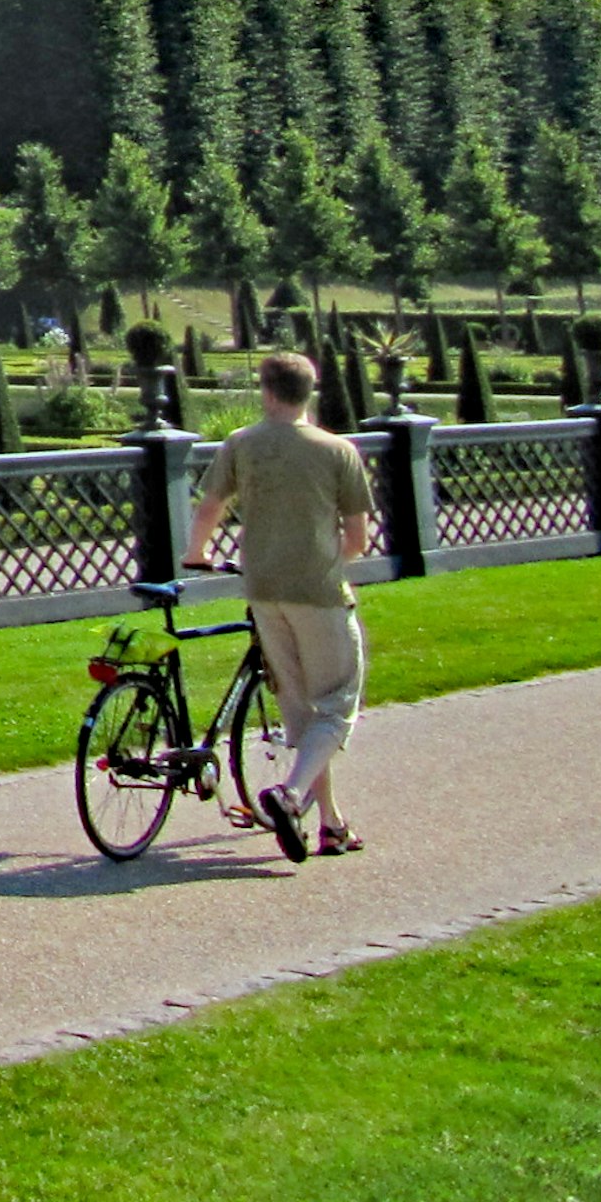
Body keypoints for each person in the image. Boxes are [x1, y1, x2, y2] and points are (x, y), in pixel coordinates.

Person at [186, 346, 377, 861]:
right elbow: (358, 539)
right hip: (318, 592)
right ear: (309, 392)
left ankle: (332, 824)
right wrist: (325, 561)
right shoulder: (337, 451)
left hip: (263, 589)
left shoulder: (240, 444)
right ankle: (290, 797)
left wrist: (196, 552)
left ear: (266, 392)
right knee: (337, 705)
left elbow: (211, 505)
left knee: (299, 708)